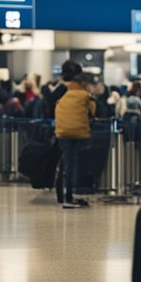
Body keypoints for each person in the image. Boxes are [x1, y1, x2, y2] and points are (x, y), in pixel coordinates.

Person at [53, 60, 96, 209]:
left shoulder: (59, 89)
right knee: (74, 164)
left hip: (61, 130)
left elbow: (52, 104)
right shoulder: (82, 91)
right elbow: (93, 110)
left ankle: (63, 196)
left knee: (64, 163)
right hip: (78, 132)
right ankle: (70, 197)